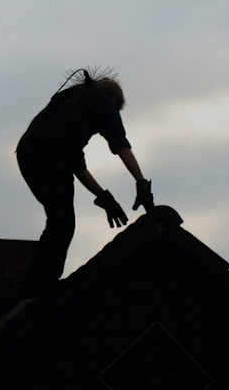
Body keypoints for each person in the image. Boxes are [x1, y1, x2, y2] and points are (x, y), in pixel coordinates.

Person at [15, 67, 153, 298]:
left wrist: (104, 197)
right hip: (48, 157)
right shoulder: (104, 102)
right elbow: (120, 145)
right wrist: (141, 183)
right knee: (62, 222)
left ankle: (36, 282)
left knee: (59, 219)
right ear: (114, 99)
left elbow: (77, 166)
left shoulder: (71, 109)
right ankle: (39, 285)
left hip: (27, 154)